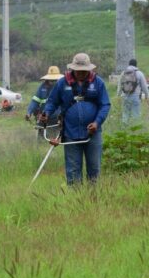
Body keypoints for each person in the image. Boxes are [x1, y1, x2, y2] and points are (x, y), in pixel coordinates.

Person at [40, 53, 111, 185]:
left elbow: (105, 105)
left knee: (94, 169)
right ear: (73, 69)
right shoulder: (62, 83)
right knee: (73, 172)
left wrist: (97, 122)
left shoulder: (98, 83)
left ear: (89, 69)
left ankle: (93, 200)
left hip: (93, 134)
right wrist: (47, 113)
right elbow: (52, 102)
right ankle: (75, 199)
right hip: (70, 134)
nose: (81, 73)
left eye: (84, 71)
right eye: (78, 71)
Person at [27, 66, 64, 140]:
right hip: (43, 116)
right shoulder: (42, 87)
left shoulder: (62, 87)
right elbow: (35, 101)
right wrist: (29, 112)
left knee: (55, 138)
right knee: (41, 138)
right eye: (51, 80)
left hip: (57, 117)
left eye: (54, 80)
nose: (52, 82)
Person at [117, 58, 149, 125]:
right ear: (136, 65)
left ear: (129, 64)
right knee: (136, 115)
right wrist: (146, 95)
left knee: (125, 115)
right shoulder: (139, 73)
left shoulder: (123, 73)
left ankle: (124, 130)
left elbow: (120, 85)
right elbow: (144, 87)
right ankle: (135, 131)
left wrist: (118, 95)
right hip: (135, 97)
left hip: (125, 96)